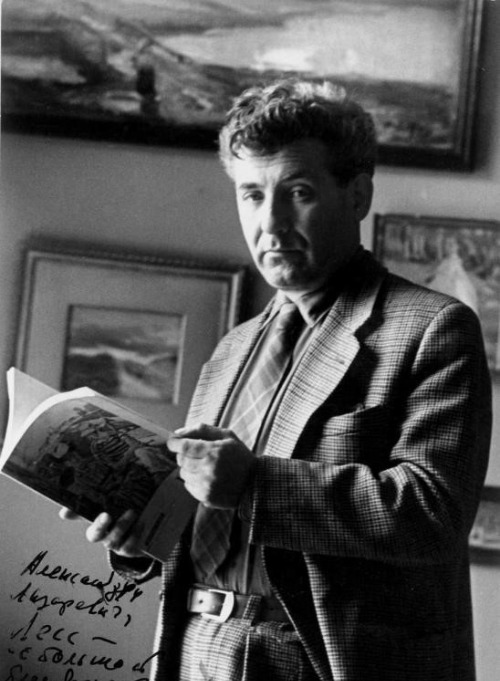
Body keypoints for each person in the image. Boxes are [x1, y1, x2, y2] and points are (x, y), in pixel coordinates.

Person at [62, 78, 492, 681]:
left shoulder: (433, 328)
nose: (272, 222)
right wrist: (142, 534)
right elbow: (212, 525)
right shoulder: (233, 349)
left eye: (298, 192)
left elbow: (432, 514)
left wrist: (253, 483)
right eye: (252, 194)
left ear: (358, 195)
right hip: (193, 651)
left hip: (321, 663)